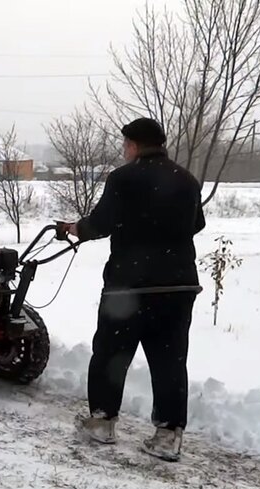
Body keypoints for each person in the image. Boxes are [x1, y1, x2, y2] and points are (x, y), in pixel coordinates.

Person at [63, 117, 205, 462]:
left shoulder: (123, 178)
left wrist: (74, 228)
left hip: (129, 287)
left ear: (134, 145)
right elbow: (197, 224)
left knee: (112, 354)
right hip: (178, 285)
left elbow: (101, 223)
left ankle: (102, 423)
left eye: (125, 144)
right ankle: (169, 435)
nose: (123, 149)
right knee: (170, 359)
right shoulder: (185, 179)